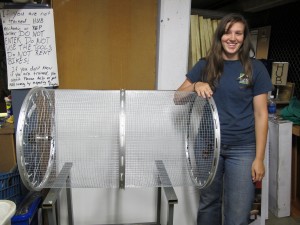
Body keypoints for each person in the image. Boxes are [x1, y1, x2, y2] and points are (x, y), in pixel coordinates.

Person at [177, 13, 273, 225]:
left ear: (244, 37)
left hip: (243, 148)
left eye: (238, 33)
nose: (232, 37)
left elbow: (261, 114)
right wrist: (195, 85)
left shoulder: (255, 68)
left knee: (238, 211)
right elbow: (178, 98)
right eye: (227, 32)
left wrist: (259, 158)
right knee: (209, 203)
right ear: (220, 36)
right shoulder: (206, 65)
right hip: (208, 146)